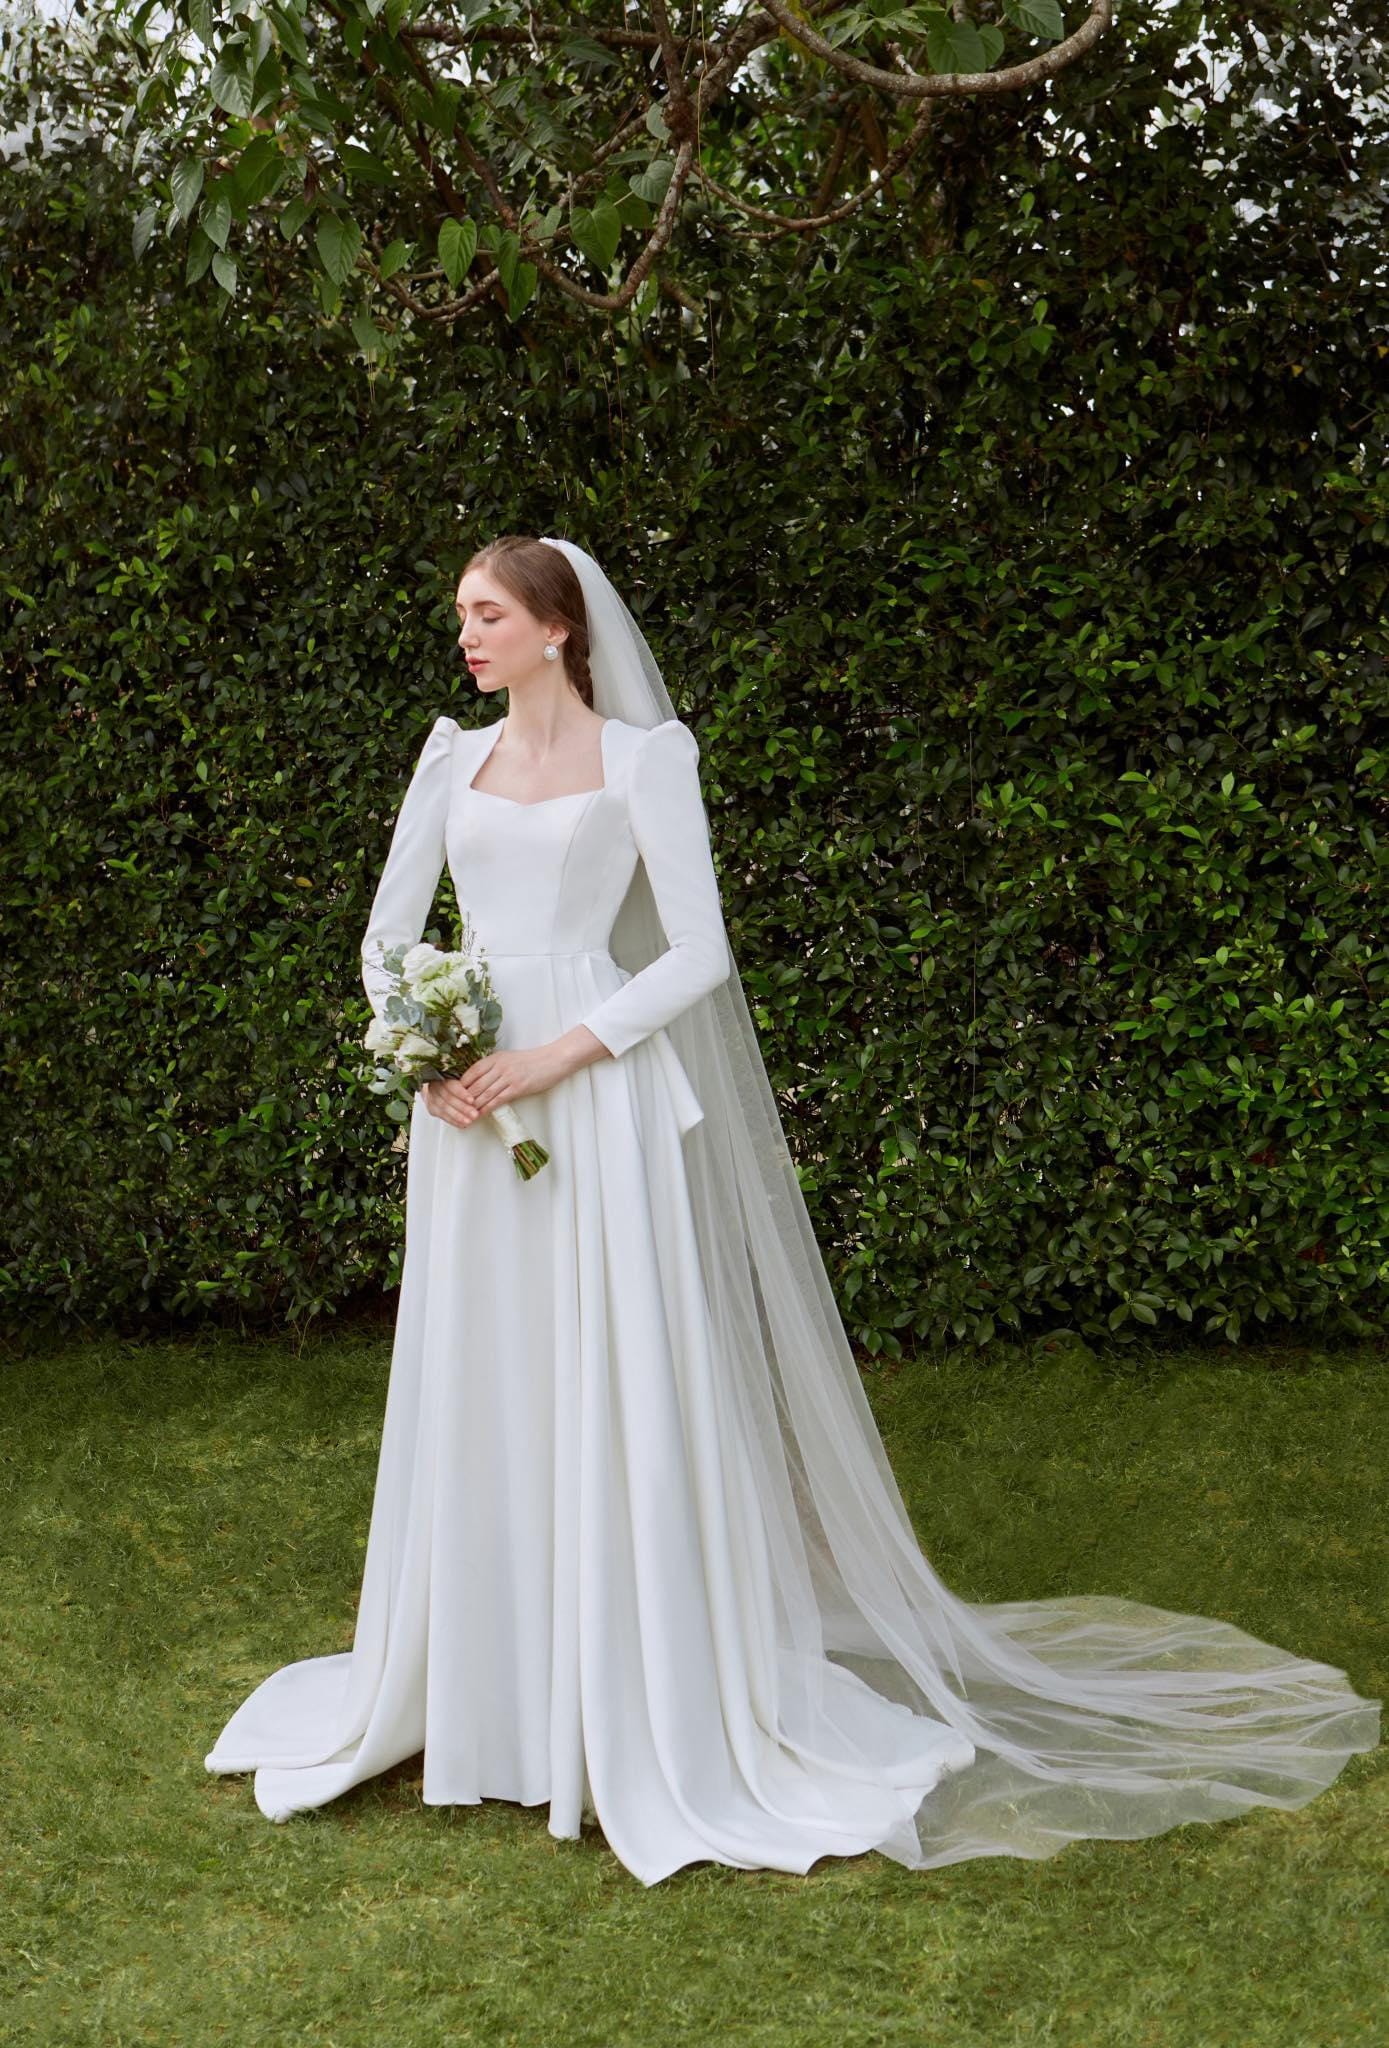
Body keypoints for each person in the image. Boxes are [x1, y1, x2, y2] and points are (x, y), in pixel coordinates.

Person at [205, 535, 1380, 1886]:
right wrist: (424, 1045)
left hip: (592, 1099)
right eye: (461, 614)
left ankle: (629, 1684)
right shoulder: (445, 760)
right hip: (468, 1114)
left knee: (611, 1371)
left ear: (555, 628)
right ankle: (486, 1686)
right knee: (486, 1378)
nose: (463, 634)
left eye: (484, 613)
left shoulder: (648, 761)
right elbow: (384, 938)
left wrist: (555, 1050)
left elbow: (697, 952)